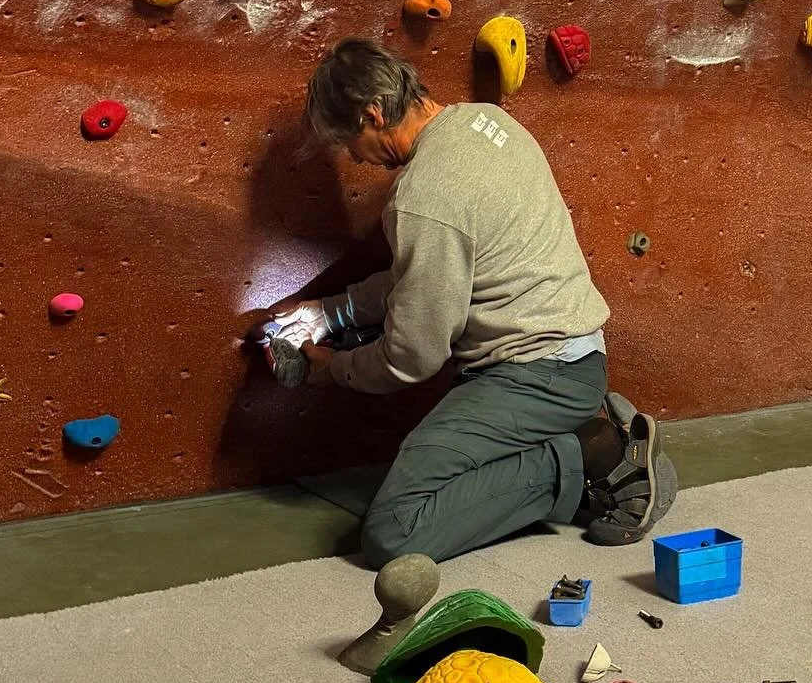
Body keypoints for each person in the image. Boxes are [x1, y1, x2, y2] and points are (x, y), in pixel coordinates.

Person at [267, 39, 677, 583]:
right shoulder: (487, 123)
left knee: (395, 532)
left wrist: (332, 371)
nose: (356, 159)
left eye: (351, 142)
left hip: (537, 375)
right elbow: (428, 275)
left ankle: (598, 456)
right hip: (572, 357)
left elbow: (412, 359)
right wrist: (331, 312)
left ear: (373, 114)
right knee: (462, 478)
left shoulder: (424, 194)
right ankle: (574, 440)